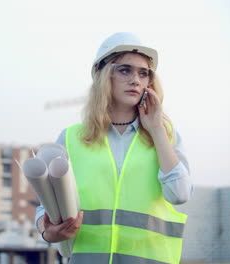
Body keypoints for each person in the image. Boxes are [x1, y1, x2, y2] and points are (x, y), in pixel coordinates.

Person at [35, 32, 193, 264]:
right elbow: (45, 205)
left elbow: (179, 195)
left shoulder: (166, 136)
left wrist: (156, 130)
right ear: (103, 75)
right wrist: (48, 232)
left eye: (143, 73)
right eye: (125, 70)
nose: (136, 80)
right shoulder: (71, 138)